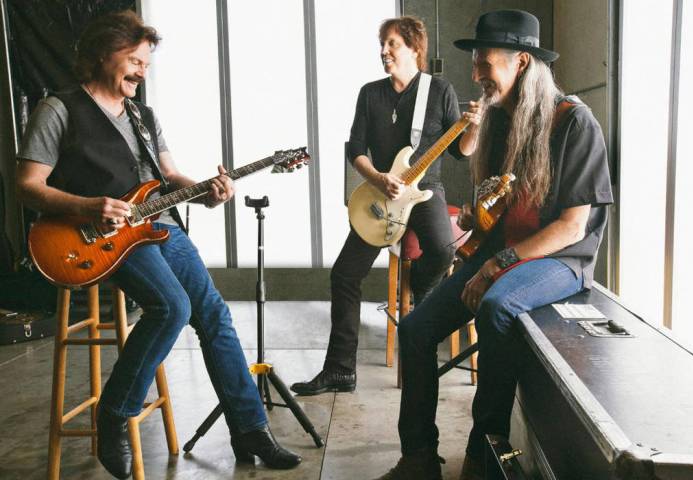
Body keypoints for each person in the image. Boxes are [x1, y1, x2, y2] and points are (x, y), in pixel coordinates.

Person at [15, 11, 300, 479]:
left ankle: (250, 429)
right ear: (104, 55)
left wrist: (208, 190)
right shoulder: (59, 109)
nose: (143, 71)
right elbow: (28, 184)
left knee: (215, 315)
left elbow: (168, 177)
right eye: (135, 61)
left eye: (147, 64)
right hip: (99, 237)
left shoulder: (143, 115)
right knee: (172, 308)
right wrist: (89, 207)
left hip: (160, 224)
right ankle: (114, 415)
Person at [375, 9, 613, 480]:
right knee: (416, 330)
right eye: (476, 64)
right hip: (504, 248)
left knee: (497, 306)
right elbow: (502, 205)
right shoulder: (502, 120)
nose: (476, 74)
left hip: (561, 259)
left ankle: (485, 455)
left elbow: (571, 227)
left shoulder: (575, 123)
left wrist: (494, 265)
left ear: (521, 62)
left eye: (485, 64)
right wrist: (478, 219)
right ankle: (419, 458)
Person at [290, 16, 481, 397]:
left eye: (392, 44)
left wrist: (473, 126)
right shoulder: (370, 93)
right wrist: (378, 178)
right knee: (344, 274)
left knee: (442, 251)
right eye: (383, 45)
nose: (384, 51)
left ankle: (419, 300)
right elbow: (355, 151)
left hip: (426, 191)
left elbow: (462, 153)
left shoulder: (439, 91)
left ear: (414, 49)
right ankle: (339, 369)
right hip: (381, 193)